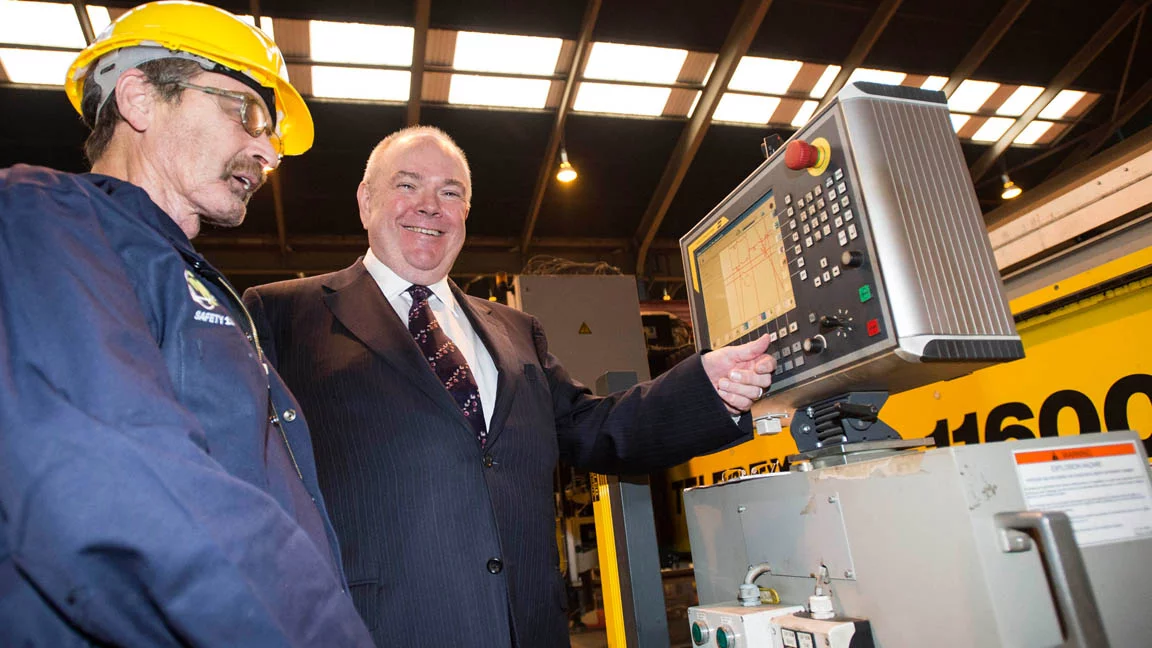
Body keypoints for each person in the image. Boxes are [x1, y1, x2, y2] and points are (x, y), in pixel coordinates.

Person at [243, 126, 775, 647]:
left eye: (450, 192)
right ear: (365, 201)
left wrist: (706, 386)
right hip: (379, 627)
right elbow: (246, 481)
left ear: (465, 215)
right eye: (407, 185)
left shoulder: (516, 331)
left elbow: (595, 429)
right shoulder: (284, 315)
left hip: (528, 625)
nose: (430, 206)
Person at [0, 2, 371, 645]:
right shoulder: (43, 217)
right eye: (246, 113)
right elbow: (113, 480)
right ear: (141, 98)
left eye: (273, 132)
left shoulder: (201, 286)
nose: (268, 150)